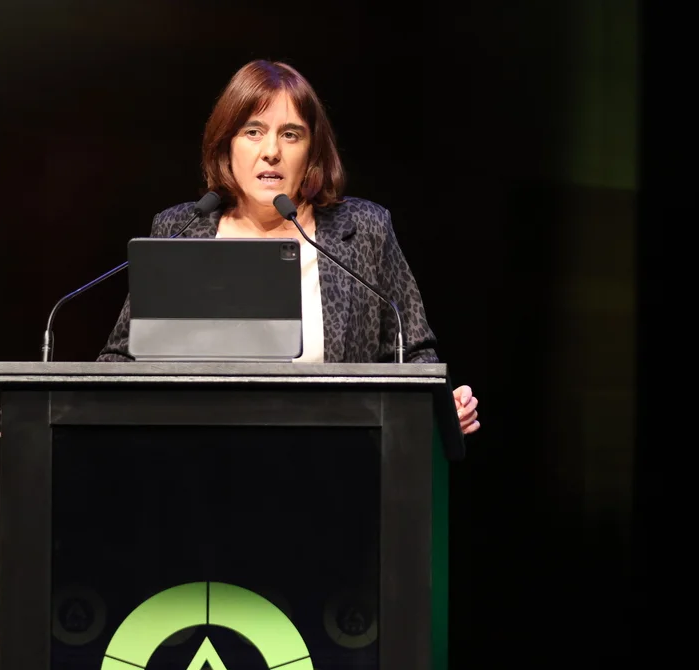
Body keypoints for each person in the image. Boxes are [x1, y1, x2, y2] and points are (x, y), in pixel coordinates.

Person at [98, 59, 480, 433]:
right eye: (253, 131)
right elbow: (121, 358)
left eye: (291, 134)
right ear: (227, 145)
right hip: (198, 454)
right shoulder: (180, 230)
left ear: (312, 151)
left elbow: (411, 352)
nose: (271, 151)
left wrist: (442, 407)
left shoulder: (362, 230)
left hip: (332, 455)